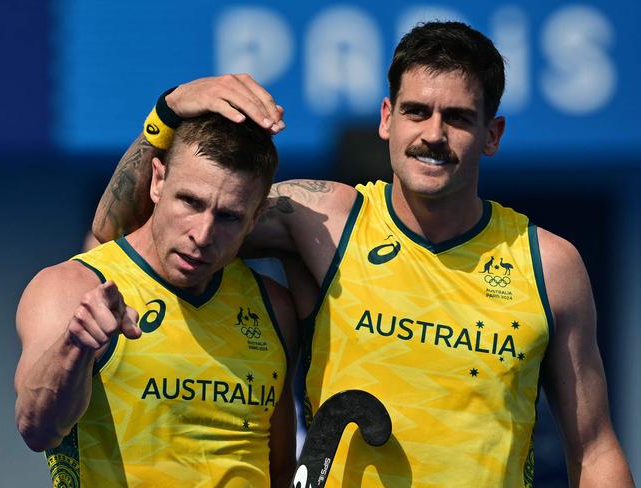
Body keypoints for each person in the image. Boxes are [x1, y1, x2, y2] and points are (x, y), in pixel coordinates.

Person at [92, 21, 634, 487]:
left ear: (492, 134)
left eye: (460, 118)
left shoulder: (549, 264)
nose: (433, 135)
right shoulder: (321, 219)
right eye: (416, 112)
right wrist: (166, 113)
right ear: (386, 118)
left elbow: (594, 447)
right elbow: (128, 234)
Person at [14, 112, 299, 487]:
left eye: (229, 216)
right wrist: (75, 346)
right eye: (190, 202)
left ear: (256, 216)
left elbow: (280, 470)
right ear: (158, 181)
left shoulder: (273, 307)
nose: (203, 234)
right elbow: (37, 429)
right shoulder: (72, 286)